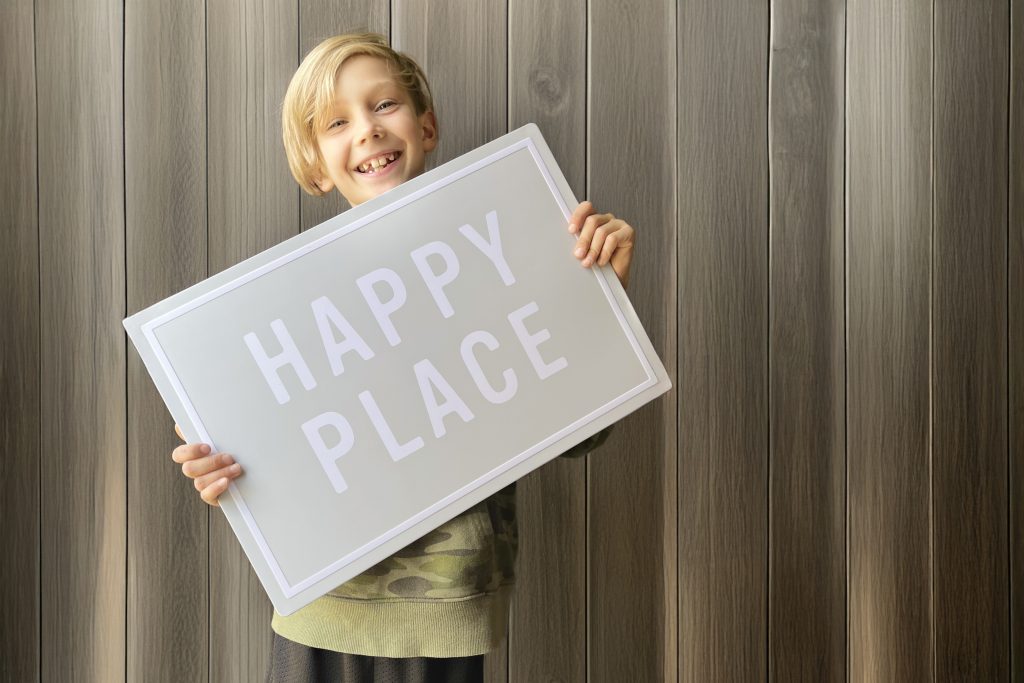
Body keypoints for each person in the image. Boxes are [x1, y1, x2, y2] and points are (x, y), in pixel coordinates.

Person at [169, 32, 636, 683]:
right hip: (320, 609)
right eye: (337, 121)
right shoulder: (283, 308)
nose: (366, 130)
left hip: (444, 616)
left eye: (382, 105)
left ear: (426, 124)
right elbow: (259, 458)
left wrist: (594, 298)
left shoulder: (498, 262)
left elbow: (579, 432)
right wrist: (221, 468)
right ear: (314, 164)